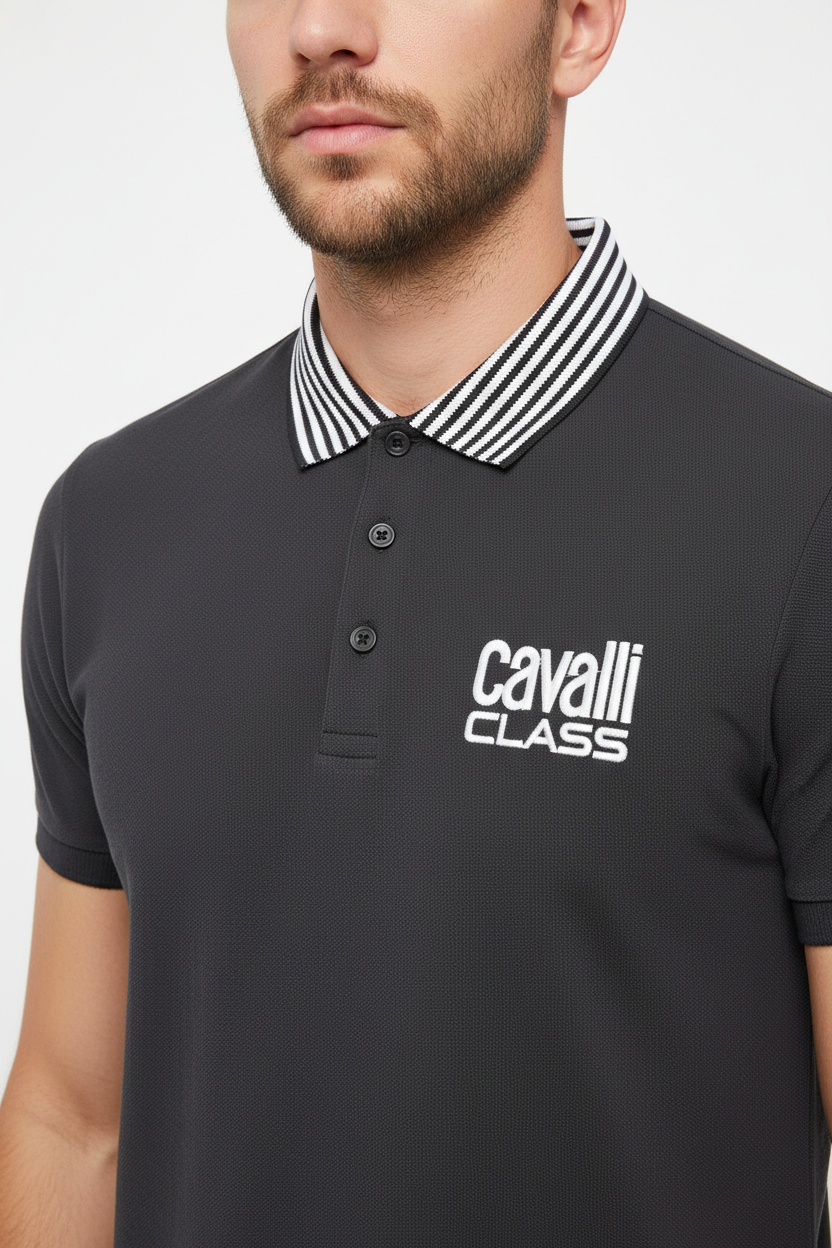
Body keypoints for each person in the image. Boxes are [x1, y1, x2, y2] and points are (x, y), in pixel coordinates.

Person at [1, 0, 831, 1243]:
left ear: (578, 27)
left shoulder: (799, 503)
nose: (321, 28)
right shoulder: (110, 520)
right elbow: (76, 1121)